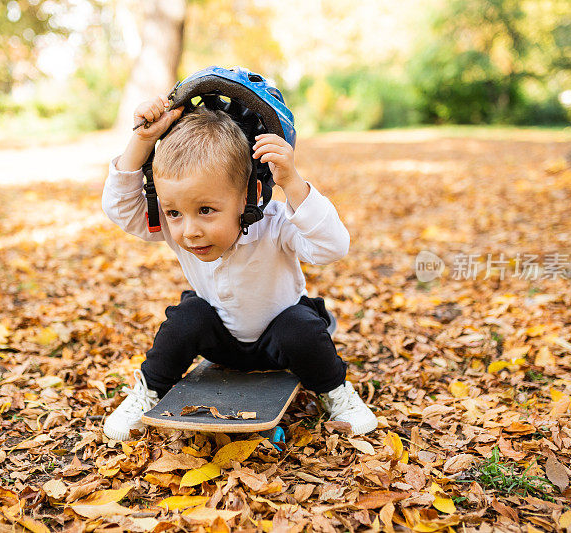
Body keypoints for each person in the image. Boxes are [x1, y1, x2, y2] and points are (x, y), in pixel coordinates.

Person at [101, 69, 377, 441]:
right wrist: (142, 141)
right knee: (187, 318)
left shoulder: (276, 224)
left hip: (280, 343)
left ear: (248, 197)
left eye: (206, 210)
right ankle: (147, 391)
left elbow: (333, 246)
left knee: (301, 327)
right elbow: (120, 209)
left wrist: (293, 183)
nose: (190, 230)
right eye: (175, 212)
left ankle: (336, 393)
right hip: (223, 345)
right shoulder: (175, 226)